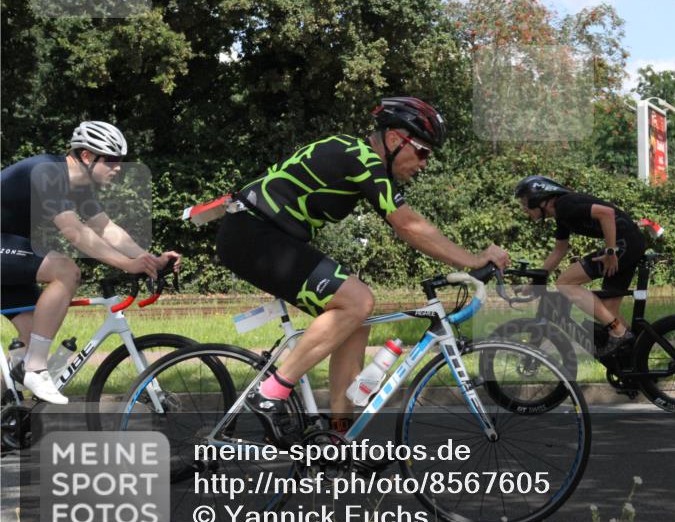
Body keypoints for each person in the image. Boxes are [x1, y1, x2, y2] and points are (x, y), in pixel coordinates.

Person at [215, 97, 510, 440]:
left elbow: (407, 223)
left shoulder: (359, 158)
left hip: (265, 237)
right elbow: (407, 225)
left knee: (354, 321)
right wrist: (472, 260)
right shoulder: (360, 157)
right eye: (423, 152)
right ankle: (270, 393)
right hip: (252, 234)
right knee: (356, 300)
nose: (425, 163)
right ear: (396, 139)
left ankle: (339, 434)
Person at [0, 121, 182, 404]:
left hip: (10, 247)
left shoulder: (78, 186)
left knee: (32, 331)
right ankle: (36, 369)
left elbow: (106, 228)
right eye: (111, 159)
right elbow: (75, 232)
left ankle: (7, 414)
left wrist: (149, 260)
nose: (118, 167)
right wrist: (126, 264)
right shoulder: (48, 172)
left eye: (120, 160)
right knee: (66, 271)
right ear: (86, 156)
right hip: (6, 245)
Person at [514, 175, 647, 363]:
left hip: (624, 246)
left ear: (539, 199)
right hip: (630, 244)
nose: (524, 209)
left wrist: (610, 251)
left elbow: (606, 214)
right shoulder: (561, 217)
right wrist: (534, 283)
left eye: (525, 203)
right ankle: (637, 358)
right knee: (608, 311)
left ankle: (618, 332)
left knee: (566, 283)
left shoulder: (565, 204)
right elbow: (558, 251)